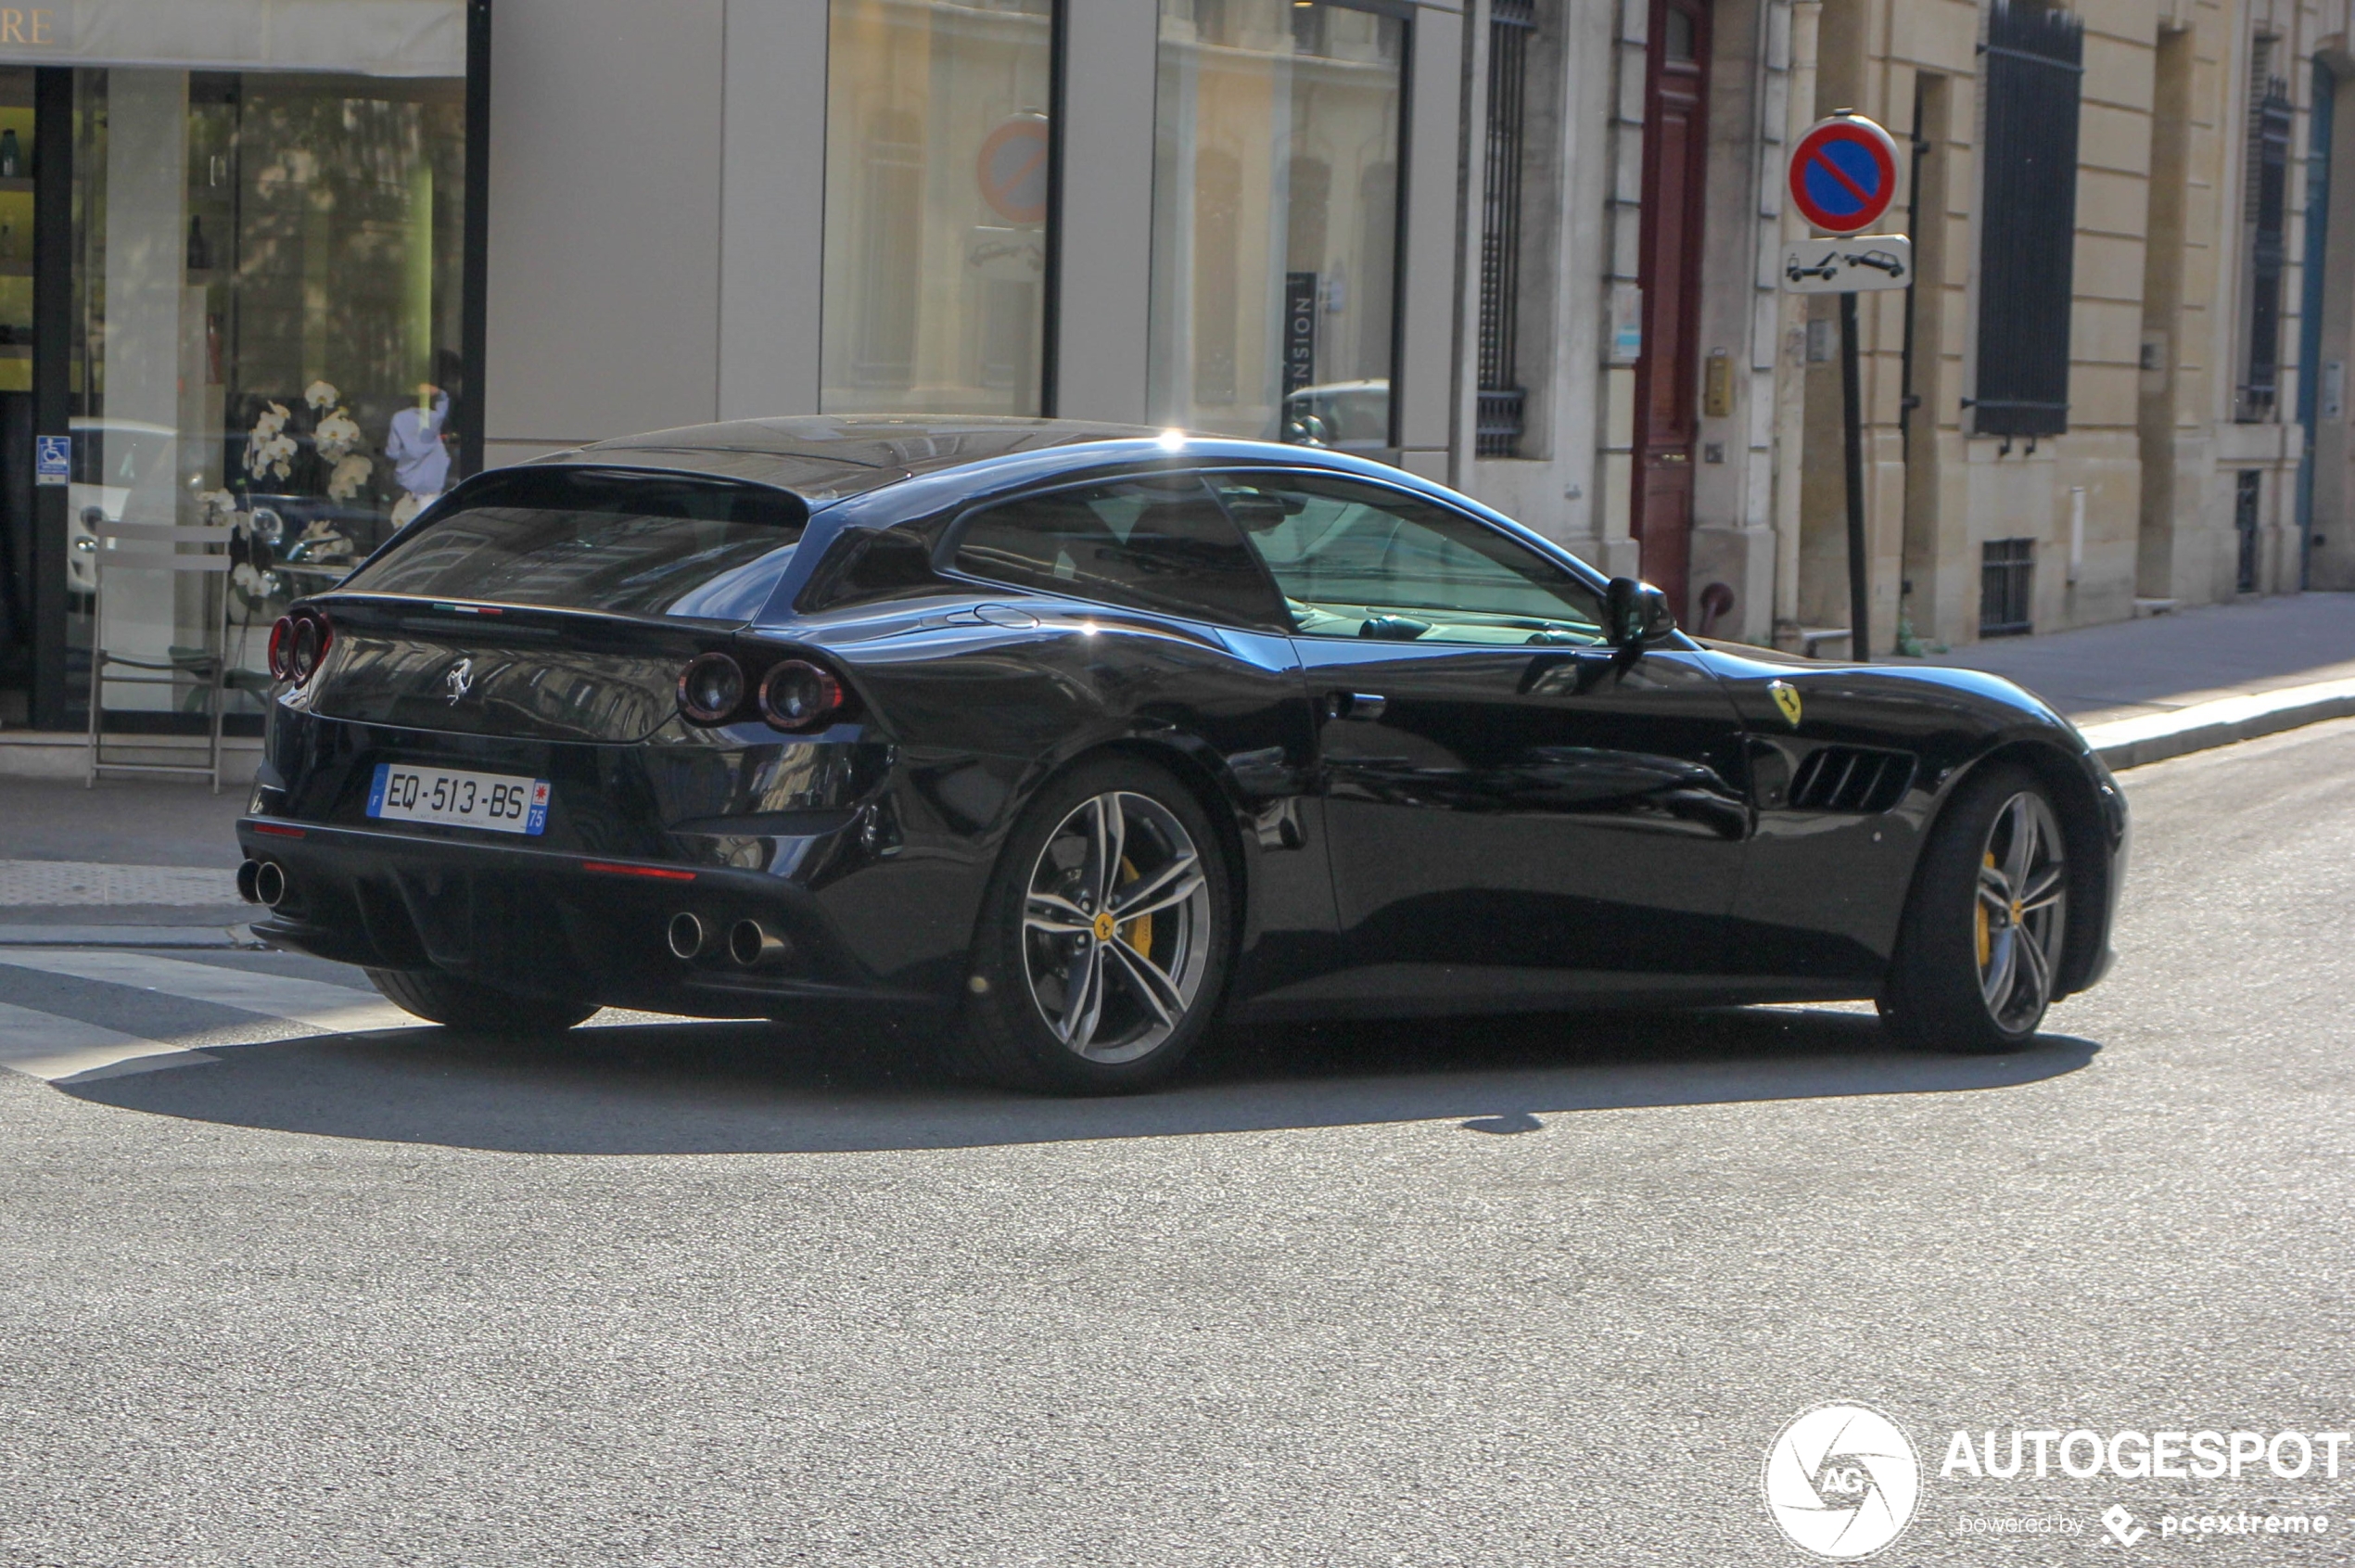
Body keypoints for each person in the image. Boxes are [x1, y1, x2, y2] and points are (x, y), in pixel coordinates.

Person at [386, 351, 459, 527]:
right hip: (436, 479)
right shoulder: (440, 414)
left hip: (409, 480)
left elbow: (392, 452)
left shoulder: (400, 417)